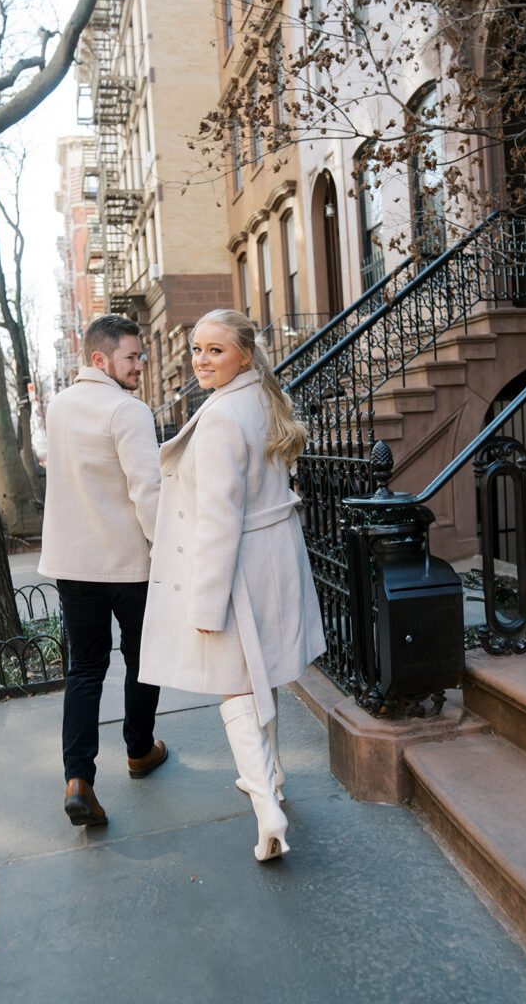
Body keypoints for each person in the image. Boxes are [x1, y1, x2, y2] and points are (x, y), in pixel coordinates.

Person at [139, 309, 325, 861]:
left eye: (215, 350)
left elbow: (220, 518)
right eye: (197, 348)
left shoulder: (222, 417)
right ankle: (270, 775)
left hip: (238, 567)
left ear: (244, 354)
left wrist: (206, 601)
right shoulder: (263, 397)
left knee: (234, 685)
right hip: (273, 559)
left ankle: (266, 803)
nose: (200, 360)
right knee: (258, 671)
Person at [39, 314, 168, 828]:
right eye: (132, 356)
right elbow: (147, 489)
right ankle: (139, 752)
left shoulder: (59, 405)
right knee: (144, 660)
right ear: (100, 359)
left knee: (85, 670)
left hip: (73, 565)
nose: (140, 364)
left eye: (140, 356)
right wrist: (169, 546)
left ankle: (79, 781)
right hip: (128, 565)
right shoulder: (127, 410)